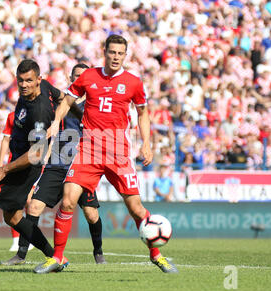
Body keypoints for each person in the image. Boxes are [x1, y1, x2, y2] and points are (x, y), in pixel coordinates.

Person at [35, 34, 178, 274]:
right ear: (105, 51)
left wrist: (146, 144)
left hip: (118, 152)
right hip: (88, 149)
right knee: (68, 199)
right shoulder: (88, 76)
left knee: (136, 208)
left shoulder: (133, 82)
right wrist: (55, 122)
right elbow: (67, 101)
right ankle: (57, 257)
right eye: (112, 52)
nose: (116, 57)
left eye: (120, 53)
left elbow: (143, 114)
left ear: (125, 55)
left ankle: (157, 255)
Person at [0, 59, 64, 274]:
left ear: (38, 80)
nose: (24, 85)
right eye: (21, 80)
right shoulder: (41, 88)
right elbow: (64, 98)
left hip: (23, 166)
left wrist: (4, 169)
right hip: (18, 163)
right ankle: (55, 258)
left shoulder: (39, 112)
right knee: (13, 217)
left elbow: (36, 154)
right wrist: (73, 114)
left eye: (29, 81)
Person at [3, 63, 107, 267]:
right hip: (56, 165)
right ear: (70, 78)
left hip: (81, 166)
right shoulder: (62, 104)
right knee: (33, 206)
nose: (79, 79)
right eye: (76, 76)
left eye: (83, 76)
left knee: (91, 213)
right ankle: (21, 254)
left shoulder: (95, 105)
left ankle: (98, 252)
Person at [0, 111, 33, 252]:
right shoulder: (12, 115)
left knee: (29, 201)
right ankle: (17, 240)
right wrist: (0, 164)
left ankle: (29, 238)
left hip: (33, 163)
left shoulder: (40, 112)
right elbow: (5, 139)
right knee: (13, 201)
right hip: (14, 164)